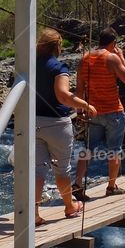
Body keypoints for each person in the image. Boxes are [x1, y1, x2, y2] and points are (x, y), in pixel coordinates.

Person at [34, 28, 97, 225]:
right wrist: (85, 105)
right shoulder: (58, 68)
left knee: (37, 170)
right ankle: (70, 207)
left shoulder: (28, 65)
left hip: (32, 122)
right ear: (58, 46)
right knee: (61, 169)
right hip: (56, 124)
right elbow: (62, 95)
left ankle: (33, 214)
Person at [73, 26, 125, 201]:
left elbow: (79, 89)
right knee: (114, 150)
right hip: (114, 112)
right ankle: (111, 186)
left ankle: (77, 183)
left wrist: (79, 111)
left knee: (87, 150)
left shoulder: (85, 59)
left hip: (92, 112)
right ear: (113, 42)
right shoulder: (112, 58)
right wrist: (122, 57)